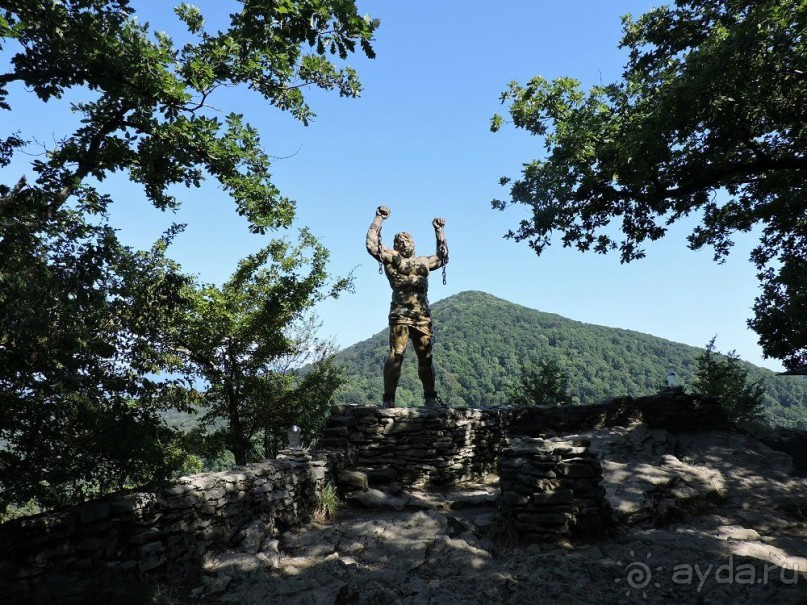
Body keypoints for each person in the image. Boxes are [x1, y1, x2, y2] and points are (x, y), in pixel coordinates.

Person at [365, 205, 448, 408]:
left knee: (426, 357)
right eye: (401, 241)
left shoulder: (423, 262)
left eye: (408, 240)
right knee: (396, 354)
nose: (406, 243)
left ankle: (430, 397)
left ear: (414, 243)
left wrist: (439, 231)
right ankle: (388, 399)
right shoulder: (393, 259)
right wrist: (378, 220)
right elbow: (371, 245)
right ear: (396, 245)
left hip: (422, 314)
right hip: (400, 313)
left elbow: (443, 256)